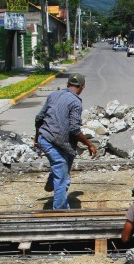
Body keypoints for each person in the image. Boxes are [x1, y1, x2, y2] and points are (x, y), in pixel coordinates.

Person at [34, 73, 97, 210]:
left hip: (51, 140)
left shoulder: (53, 95)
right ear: (82, 87)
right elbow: (74, 129)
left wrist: (36, 136)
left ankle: (51, 182)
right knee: (62, 178)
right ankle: (60, 213)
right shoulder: (75, 102)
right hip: (53, 142)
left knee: (64, 166)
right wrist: (89, 144)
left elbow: (39, 117)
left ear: (68, 84)